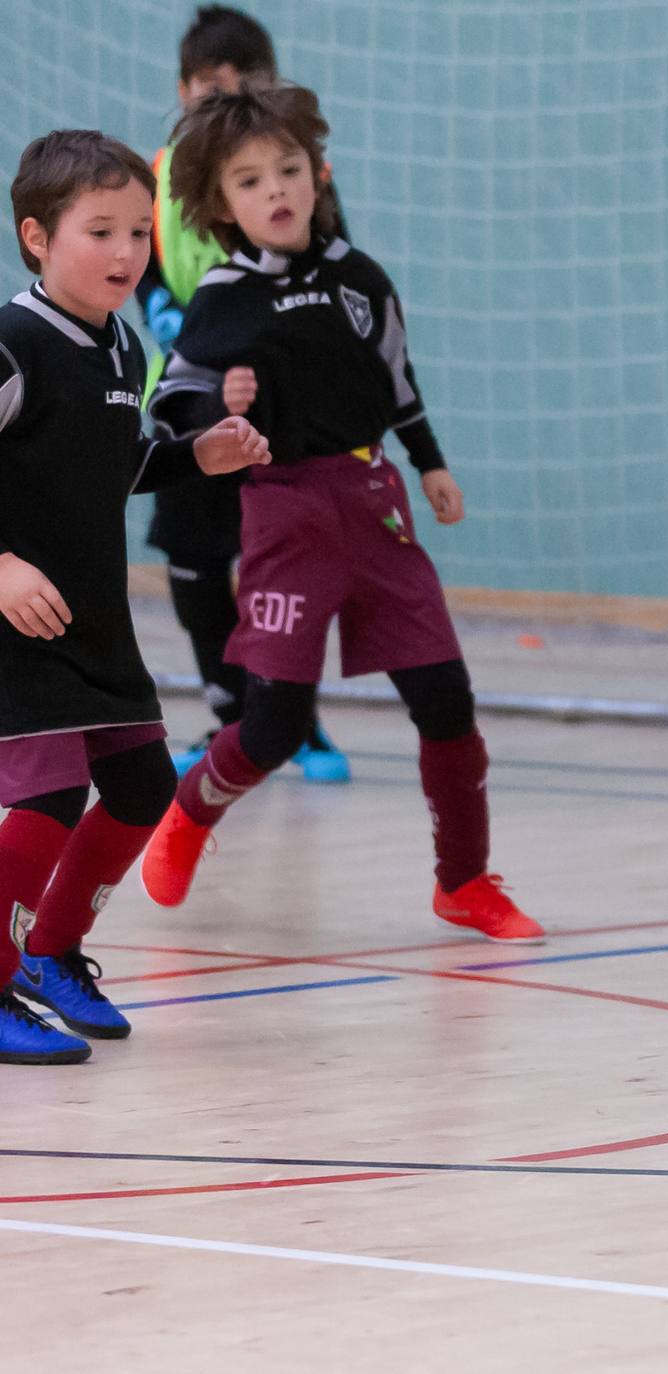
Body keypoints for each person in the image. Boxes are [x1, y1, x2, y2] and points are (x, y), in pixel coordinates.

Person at [139, 84, 543, 945]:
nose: (276, 190)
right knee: (275, 726)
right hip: (286, 517)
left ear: (318, 175)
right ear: (221, 204)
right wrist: (222, 408)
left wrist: (430, 464)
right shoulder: (219, 297)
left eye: (289, 170)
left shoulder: (362, 278)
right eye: (251, 181)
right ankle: (189, 813)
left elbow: (398, 384)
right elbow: (173, 403)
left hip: (375, 505)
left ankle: (464, 881)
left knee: (446, 701)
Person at [0, 130, 269, 1063]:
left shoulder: (120, 348)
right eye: (100, 231)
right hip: (15, 621)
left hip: (95, 621)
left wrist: (198, 455)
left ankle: (51, 953)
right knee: (49, 793)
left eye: (139, 233)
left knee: (144, 782)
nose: (126, 254)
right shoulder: (10, 344)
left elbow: (111, 467)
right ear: (36, 236)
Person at [139, 5, 349, 783]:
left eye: (241, 84)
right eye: (206, 86)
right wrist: (169, 318)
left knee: (282, 566)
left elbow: (334, 273)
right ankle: (232, 711)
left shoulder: (296, 175)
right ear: (183, 87)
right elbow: (147, 270)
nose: (221, 99)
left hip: (281, 403)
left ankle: (297, 721)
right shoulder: (155, 177)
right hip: (192, 398)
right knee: (193, 555)